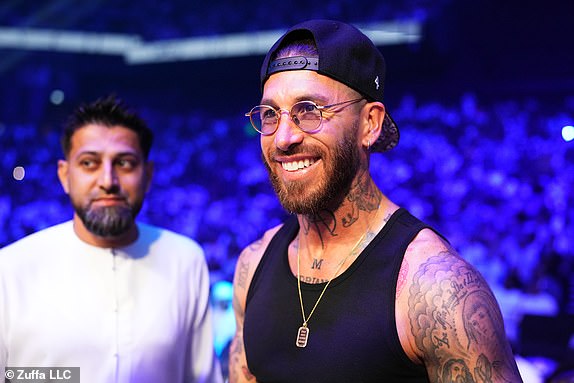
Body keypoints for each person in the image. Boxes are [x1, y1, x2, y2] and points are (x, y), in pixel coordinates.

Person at [229, 19, 523, 383]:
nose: (284, 137)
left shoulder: (434, 288)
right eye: (270, 114)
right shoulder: (252, 265)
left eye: (310, 110)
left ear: (370, 123)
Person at [0, 96, 223, 383]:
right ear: (65, 175)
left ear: (148, 174)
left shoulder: (185, 260)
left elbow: (202, 378)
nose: (108, 180)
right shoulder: (11, 268)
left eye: (125, 163)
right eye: (89, 163)